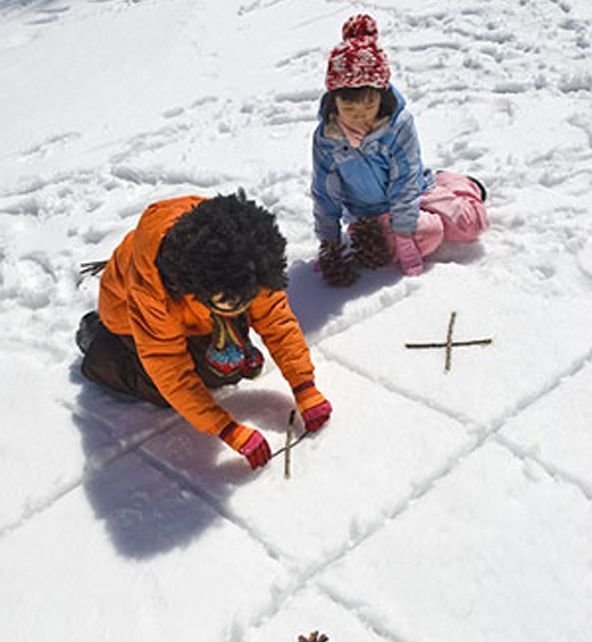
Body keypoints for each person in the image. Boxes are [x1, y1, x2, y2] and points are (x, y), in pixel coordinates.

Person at [75, 191, 332, 470]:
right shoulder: (152, 291)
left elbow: (276, 321)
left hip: (199, 311)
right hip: (127, 319)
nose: (248, 307)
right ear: (199, 287)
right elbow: (168, 367)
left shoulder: (244, 259)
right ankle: (100, 345)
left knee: (224, 368)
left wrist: (304, 387)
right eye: (235, 305)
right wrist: (226, 428)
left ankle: (217, 340)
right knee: (170, 388)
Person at [311, 14, 489, 286]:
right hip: (368, 213)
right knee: (428, 233)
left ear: (381, 98)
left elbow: (404, 180)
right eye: (349, 109)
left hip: (414, 189)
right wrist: (330, 244)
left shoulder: (397, 125)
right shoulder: (327, 140)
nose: (360, 116)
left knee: (471, 226)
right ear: (333, 102)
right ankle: (400, 228)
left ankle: (454, 183)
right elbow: (325, 195)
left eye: (368, 107)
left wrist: (404, 235)